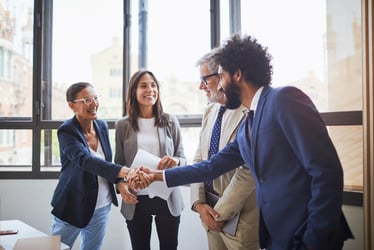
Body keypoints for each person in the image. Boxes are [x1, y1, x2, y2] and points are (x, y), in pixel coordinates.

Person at [136, 34, 354, 250]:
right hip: (278, 236)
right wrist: (157, 176)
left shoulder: (284, 99)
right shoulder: (249, 123)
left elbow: (327, 172)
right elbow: (210, 167)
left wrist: (314, 240)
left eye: (221, 77)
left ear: (237, 75)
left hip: (306, 235)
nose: (219, 86)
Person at [50, 82, 136, 250]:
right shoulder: (66, 131)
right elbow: (85, 160)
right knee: (56, 248)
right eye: (87, 100)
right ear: (71, 105)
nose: (94, 103)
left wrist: (119, 182)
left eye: (96, 98)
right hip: (72, 205)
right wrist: (125, 171)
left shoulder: (101, 126)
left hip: (101, 206)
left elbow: (105, 164)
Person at [191, 49, 259, 250]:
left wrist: (219, 213)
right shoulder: (209, 111)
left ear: (222, 76)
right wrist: (199, 204)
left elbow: (248, 173)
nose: (200, 86)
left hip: (240, 219)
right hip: (208, 213)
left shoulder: (249, 112)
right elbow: (199, 160)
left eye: (205, 79)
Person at [115, 69, 186, 250]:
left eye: (153, 85)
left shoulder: (170, 120)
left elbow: (183, 159)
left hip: (167, 196)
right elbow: (118, 164)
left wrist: (175, 161)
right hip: (136, 198)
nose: (150, 90)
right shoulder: (123, 125)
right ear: (134, 91)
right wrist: (121, 185)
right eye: (144, 86)